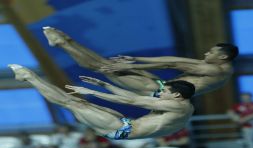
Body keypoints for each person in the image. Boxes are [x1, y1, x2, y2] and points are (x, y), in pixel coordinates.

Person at [9, 64, 194, 140]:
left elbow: (131, 99)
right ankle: (28, 76)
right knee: (74, 102)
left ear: (177, 96)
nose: (160, 94)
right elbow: (131, 97)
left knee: (73, 103)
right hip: (125, 124)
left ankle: (28, 77)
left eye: (164, 92)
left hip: (121, 130)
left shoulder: (175, 105)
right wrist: (104, 84)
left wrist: (91, 91)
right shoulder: (182, 105)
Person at [42, 27, 238, 96]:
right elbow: (174, 59)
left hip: (157, 91)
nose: (206, 53)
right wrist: (136, 59)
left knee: (101, 67)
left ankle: (62, 43)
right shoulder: (217, 65)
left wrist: (131, 66)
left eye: (211, 52)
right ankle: (66, 40)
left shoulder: (216, 70)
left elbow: (170, 65)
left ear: (222, 57)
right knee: (103, 64)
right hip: (161, 86)